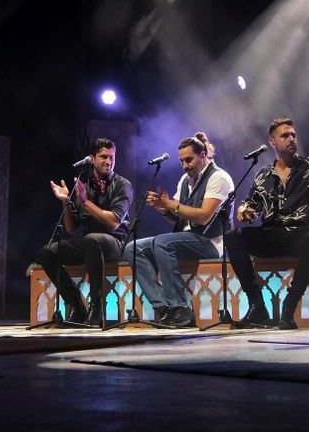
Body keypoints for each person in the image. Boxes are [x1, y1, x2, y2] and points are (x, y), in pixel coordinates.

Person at [225, 118, 309, 330]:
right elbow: (251, 205)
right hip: (272, 235)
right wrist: (244, 211)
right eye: (285, 135)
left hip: (301, 236)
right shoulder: (263, 175)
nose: (291, 138)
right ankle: (257, 306)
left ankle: (288, 308)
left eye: (293, 135)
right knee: (234, 237)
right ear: (272, 142)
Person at [130, 132, 233, 329]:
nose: (185, 165)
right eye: (181, 161)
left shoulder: (219, 177)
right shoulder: (185, 180)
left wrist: (171, 204)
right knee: (134, 248)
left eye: (189, 160)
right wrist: (162, 208)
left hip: (211, 242)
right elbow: (177, 217)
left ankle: (181, 308)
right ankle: (163, 307)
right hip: (188, 238)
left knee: (162, 242)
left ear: (203, 155)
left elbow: (204, 216)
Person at [35, 138, 132, 329]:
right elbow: (71, 228)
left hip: (115, 242)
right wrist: (65, 201)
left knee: (91, 240)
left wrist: (86, 202)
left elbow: (113, 222)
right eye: (103, 157)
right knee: (47, 253)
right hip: (89, 244)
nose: (108, 161)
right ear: (92, 159)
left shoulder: (122, 185)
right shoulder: (83, 185)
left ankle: (96, 308)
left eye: (112, 157)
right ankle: (76, 304)